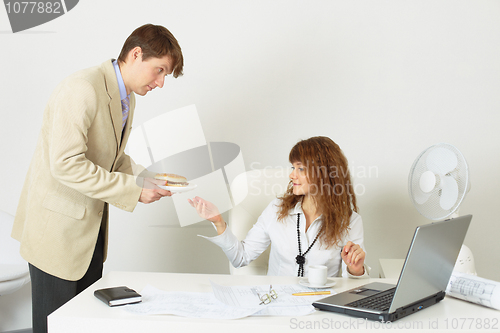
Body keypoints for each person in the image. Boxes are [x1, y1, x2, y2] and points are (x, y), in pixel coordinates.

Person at [11, 24, 184, 333]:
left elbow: (111, 158)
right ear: (135, 54)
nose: (159, 83)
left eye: (165, 76)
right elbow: (65, 164)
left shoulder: (127, 99)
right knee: (55, 328)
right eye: (159, 71)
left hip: (89, 237)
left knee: (83, 326)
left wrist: (147, 179)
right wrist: (133, 190)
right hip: (57, 237)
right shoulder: (81, 88)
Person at [189, 136, 370, 278]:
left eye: (300, 169)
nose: (292, 175)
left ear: (323, 172)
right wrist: (219, 222)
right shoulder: (277, 209)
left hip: (319, 308)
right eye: (292, 167)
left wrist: (356, 269)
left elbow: (351, 288)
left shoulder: (350, 221)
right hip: (277, 303)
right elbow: (240, 258)